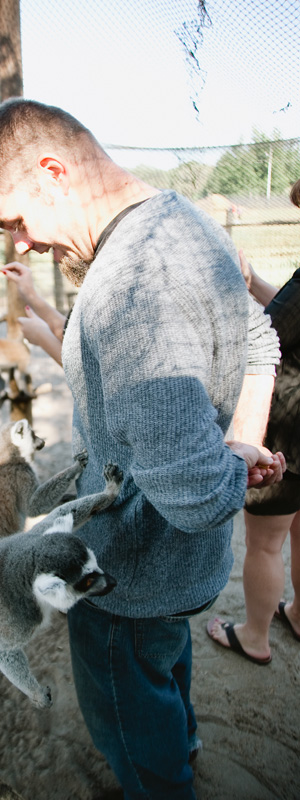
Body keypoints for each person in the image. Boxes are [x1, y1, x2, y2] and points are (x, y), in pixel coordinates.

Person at [0, 98, 284, 800]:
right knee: (167, 671)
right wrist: (244, 442)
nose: (20, 243)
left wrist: (233, 458)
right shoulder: (187, 220)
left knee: (132, 730)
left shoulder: (130, 286)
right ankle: (184, 747)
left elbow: (199, 497)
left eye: (16, 221)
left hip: (126, 578)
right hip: (181, 575)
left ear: (52, 172)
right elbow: (263, 339)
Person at [207, 179, 300, 664]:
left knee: (264, 545)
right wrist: (253, 279)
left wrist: (235, 287)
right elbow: (287, 308)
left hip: (288, 429)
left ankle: (255, 636)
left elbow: (268, 332)